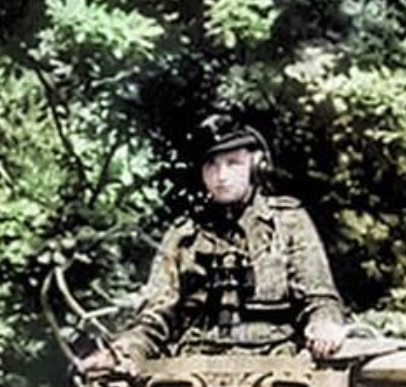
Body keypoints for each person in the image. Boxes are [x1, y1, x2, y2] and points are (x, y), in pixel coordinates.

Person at [85, 113, 348, 373]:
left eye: (233, 163)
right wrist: (123, 351)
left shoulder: (287, 222)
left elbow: (319, 296)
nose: (221, 176)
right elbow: (157, 314)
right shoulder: (183, 235)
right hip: (192, 366)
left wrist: (324, 324)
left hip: (276, 364)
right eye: (211, 164)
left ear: (256, 166)